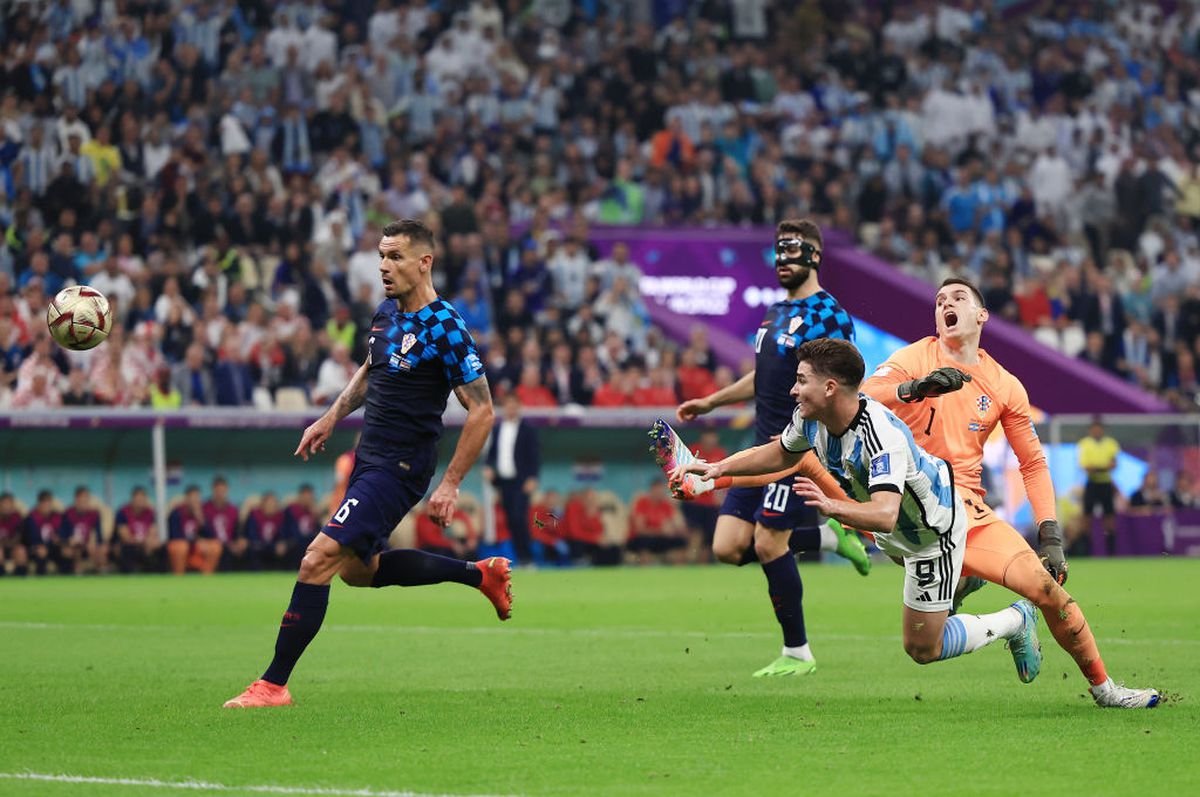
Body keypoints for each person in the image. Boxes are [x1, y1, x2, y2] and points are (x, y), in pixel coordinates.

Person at [224, 218, 510, 709]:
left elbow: (482, 410)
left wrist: (451, 484)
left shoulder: (447, 327)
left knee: (317, 559)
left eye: (395, 256)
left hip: (400, 467)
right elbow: (370, 370)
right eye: (381, 255)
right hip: (368, 459)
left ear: (425, 262)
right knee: (359, 571)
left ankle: (272, 684)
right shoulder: (385, 313)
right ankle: (480, 575)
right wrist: (330, 417)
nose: (384, 266)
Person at [859, 278, 1157, 708]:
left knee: (1045, 589)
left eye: (958, 298)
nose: (947, 303)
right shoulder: (913, 357)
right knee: (922, 647)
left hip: (965, 510)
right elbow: (867, 396)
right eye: (940, 300)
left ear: (981, 316)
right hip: (908, 510)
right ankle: (980, 594)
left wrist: (1050, 535)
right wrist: (914, 388)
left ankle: (1106, 689)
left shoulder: (1004, 384)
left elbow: (1033, 463)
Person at [675, 339, 1045, 685]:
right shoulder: (810, 418)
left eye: (801, 380)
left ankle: (1015, 619)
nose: (793, 389)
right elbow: (780, 454)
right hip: (895, 534)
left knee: (923, 648)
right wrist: (718, 469)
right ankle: (964, 578)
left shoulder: (879, 435)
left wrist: (832, 506)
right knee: (923, 622)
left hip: (932, 534)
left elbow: (884, 513)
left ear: (831, 388)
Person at [671, 218, 870, 677]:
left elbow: (843, 385)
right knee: (726, 546)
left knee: (766, 542)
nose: (783, 262)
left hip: (796, 448)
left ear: (814, 257)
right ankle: (826, 538)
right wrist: (712, 401)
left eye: (792, 253)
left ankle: (797, 652)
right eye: (778, 253)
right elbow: (766, 377)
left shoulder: (830, 315)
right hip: (759, 443)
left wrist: (834, 448)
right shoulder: (774, 312)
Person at [484, 391, 540, 564]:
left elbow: (534, 456)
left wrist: (533, 477)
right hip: (503, 483)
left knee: (518, 517)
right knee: (510, 520)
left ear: (519, 407)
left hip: (521, 482)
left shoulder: (527, 429)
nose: (511, 409)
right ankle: (520, 557)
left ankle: (527, 557)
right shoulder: (498, 428)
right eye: (508, 405)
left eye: (514, 406)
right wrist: (488, 467)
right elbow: (492, 454)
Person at [1078, 419, 1120, 555]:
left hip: (1106, 483)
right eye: (1094, 429)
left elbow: (1114, 464)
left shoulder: (1110, 443)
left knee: (1109, 517)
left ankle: (1111, 551)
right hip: (1092, 483)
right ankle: (1086, 550)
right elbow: (1086, 467)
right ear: (1090, 430)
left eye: (1099, 428)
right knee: (1087, 517)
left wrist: (1097, 467)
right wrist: (1103, 467)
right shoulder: (1085, 444)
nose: (1097, 431)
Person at [59, 486, 105, 574]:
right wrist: (69, 540)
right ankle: (76, 572)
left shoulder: (94, 514)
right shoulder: (68, 514)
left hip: (89, 546)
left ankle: (101, 573)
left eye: (86, 499)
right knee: (71, 551)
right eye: (81, 499)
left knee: (102, 550)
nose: (84, 502)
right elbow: (62, 535)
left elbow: (99, 536)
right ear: (76, 500)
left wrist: (96, 544)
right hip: (74, 546)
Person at [114, 486, 160, 573]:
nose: (140, 501)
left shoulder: (150, 512)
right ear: (132, 499)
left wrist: (149, 541)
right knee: (128, 548)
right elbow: (125, 536)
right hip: (128, 543)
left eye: (142, 498)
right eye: (138, 498)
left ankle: (158, 575)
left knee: (160, 548)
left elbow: (153, 531)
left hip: (145, 543)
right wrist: (141, 542)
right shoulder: (122, 512)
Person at [0, 492, 28, 576]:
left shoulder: (17, 517)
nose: (6, 506)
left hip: (13, 547)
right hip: (1, 547)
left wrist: (10, 543)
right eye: (4, 503)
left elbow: (19, 536)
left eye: (9, 504)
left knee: (21, 551)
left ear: (13, 505)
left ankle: (21, 579)